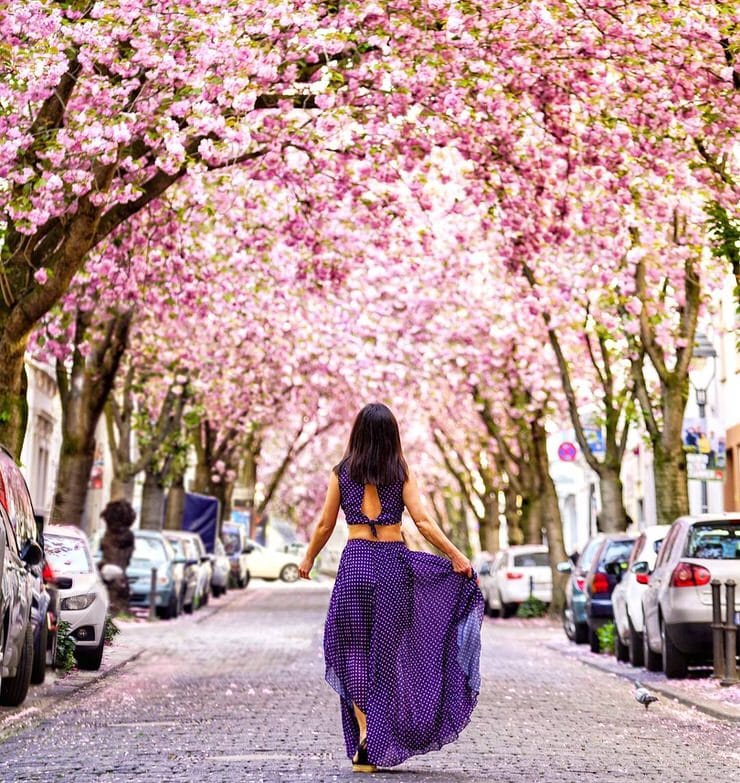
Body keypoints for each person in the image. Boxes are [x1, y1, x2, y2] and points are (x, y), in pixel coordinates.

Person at [299, 403, 484, 773]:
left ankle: (367, 735)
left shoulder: (341, 473)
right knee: (384, 655)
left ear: (356, 433)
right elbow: (424, 523)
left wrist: (307, 560)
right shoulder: (399, 472)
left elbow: (323, 525)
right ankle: (379, 735)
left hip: (355, 565)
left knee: (351, 649)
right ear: (391, 435)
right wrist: (456, 556)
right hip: (392, 566)